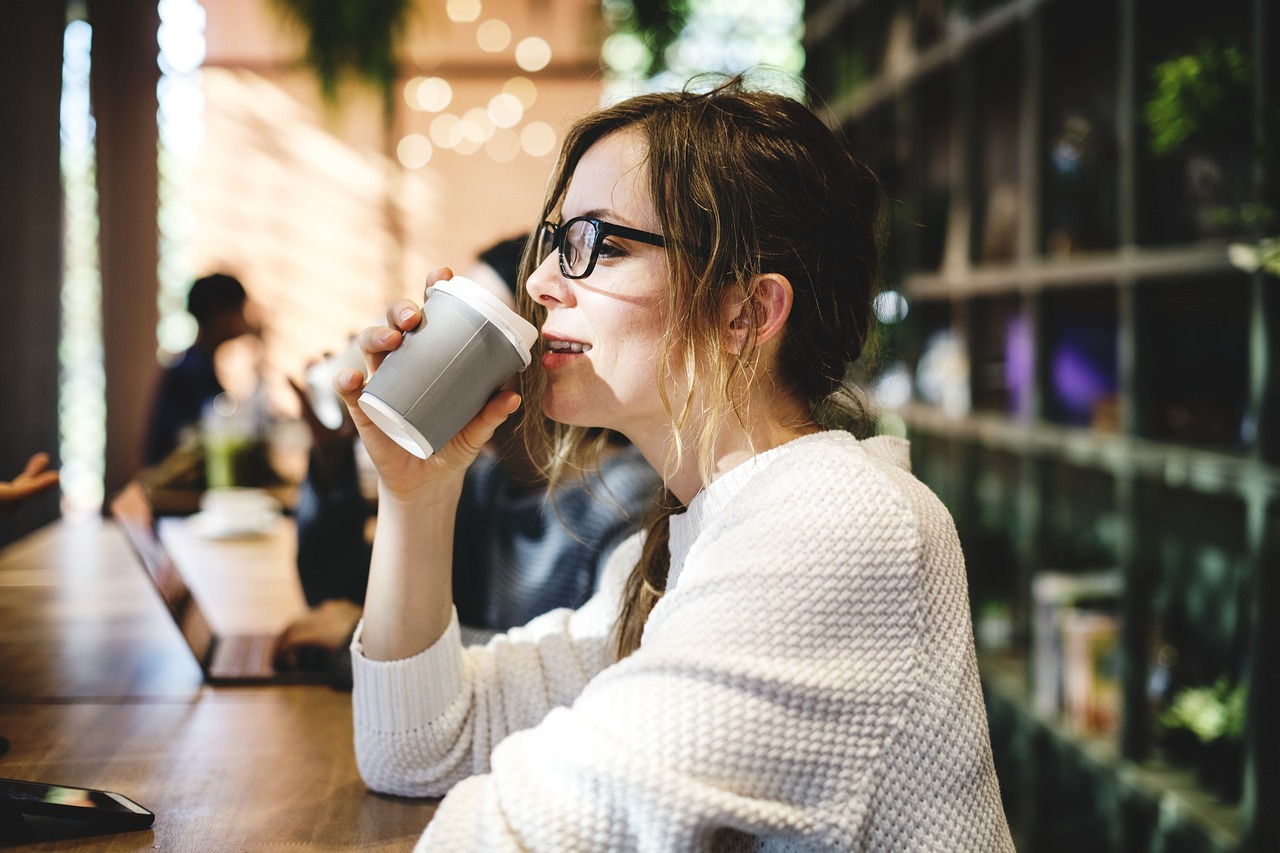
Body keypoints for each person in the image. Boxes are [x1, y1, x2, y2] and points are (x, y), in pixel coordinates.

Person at [339, 77, 1014, 850]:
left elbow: (514, 836)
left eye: (602, 244)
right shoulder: (671, 551)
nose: (540, 281)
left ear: (745, 312)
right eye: (559, 240)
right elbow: (418, 747)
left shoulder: (839, 523)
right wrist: (416, 493)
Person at [274, 235, 661, 683]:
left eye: (471, 322)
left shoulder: (625, 500)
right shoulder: (480, 478)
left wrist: (353, 640)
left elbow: (594, 669)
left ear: (543, 347)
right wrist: (333, 456)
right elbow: (335, 600)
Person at [142, 272, 255, 466]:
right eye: (240, 310)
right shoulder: (191, 374)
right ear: (222, 315)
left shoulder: (196, 364)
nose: (245, 318)